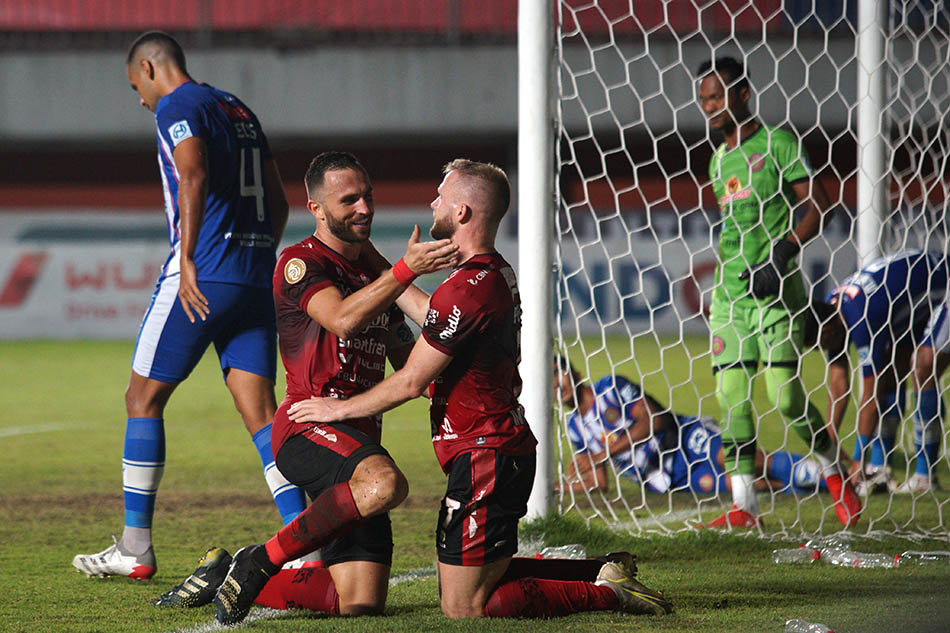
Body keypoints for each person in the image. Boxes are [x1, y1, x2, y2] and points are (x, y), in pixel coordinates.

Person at [284, 159, 673, 620]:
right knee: (476, 577)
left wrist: (337, 409)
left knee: (464, 606)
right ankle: (598, 572)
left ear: (463, 212)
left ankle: (608, 594)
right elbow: (436, 317)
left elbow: (411, 380)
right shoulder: (488, 273)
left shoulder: (468, 287)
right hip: (495, 447)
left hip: (485, 453)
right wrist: (391, 267)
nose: (432, 203)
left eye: (441, 196)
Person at [73, 31, 307, 580]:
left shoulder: (178, 104)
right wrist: (256, 257)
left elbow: (193, 170)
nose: (141, 99)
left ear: (152, 68)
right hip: (253, 275)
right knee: (260, 412)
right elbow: (278, 203)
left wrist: (191, 260)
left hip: (205, 272)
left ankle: (135, 547)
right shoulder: (237, 107)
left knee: (142, 396)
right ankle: (306, 541)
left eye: (137, 86)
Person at [695, 55, 860, 529]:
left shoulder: (779, 144)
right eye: (703, 98)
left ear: (743, 95)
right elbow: (733, 227)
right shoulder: (718, 160)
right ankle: (744, 507)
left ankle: (836, 473)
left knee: (785, 397)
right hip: (731, 296)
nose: (710, 106)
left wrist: (782, 254)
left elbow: (820, 205)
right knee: (731, 399)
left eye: (717, 96)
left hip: (778, 292)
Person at [556, 363, 827, 496]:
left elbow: (653, 421)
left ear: (577, 373)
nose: (558, 384)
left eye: (560, 373)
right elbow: (599, 483)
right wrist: (556, 488)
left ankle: (820, 472)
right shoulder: (576, 429)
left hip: (684, 437)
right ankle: (819, 487)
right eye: (550, 381)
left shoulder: (611, 387)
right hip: (670, 477)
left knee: (730, 458)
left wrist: (602, 454)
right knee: (746, 486)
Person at [811, 249, 950, 494]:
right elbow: (838, 385)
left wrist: (856, 460)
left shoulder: (861, 318)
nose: (824, 350)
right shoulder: (833, 310)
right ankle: (879, 468)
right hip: (917, 297)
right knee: (890, 372)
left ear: (830, 331)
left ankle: (925, 475)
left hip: (945, 286)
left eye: (821, 344)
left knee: (923, 365)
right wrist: (829, 448)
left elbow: (870, 397)